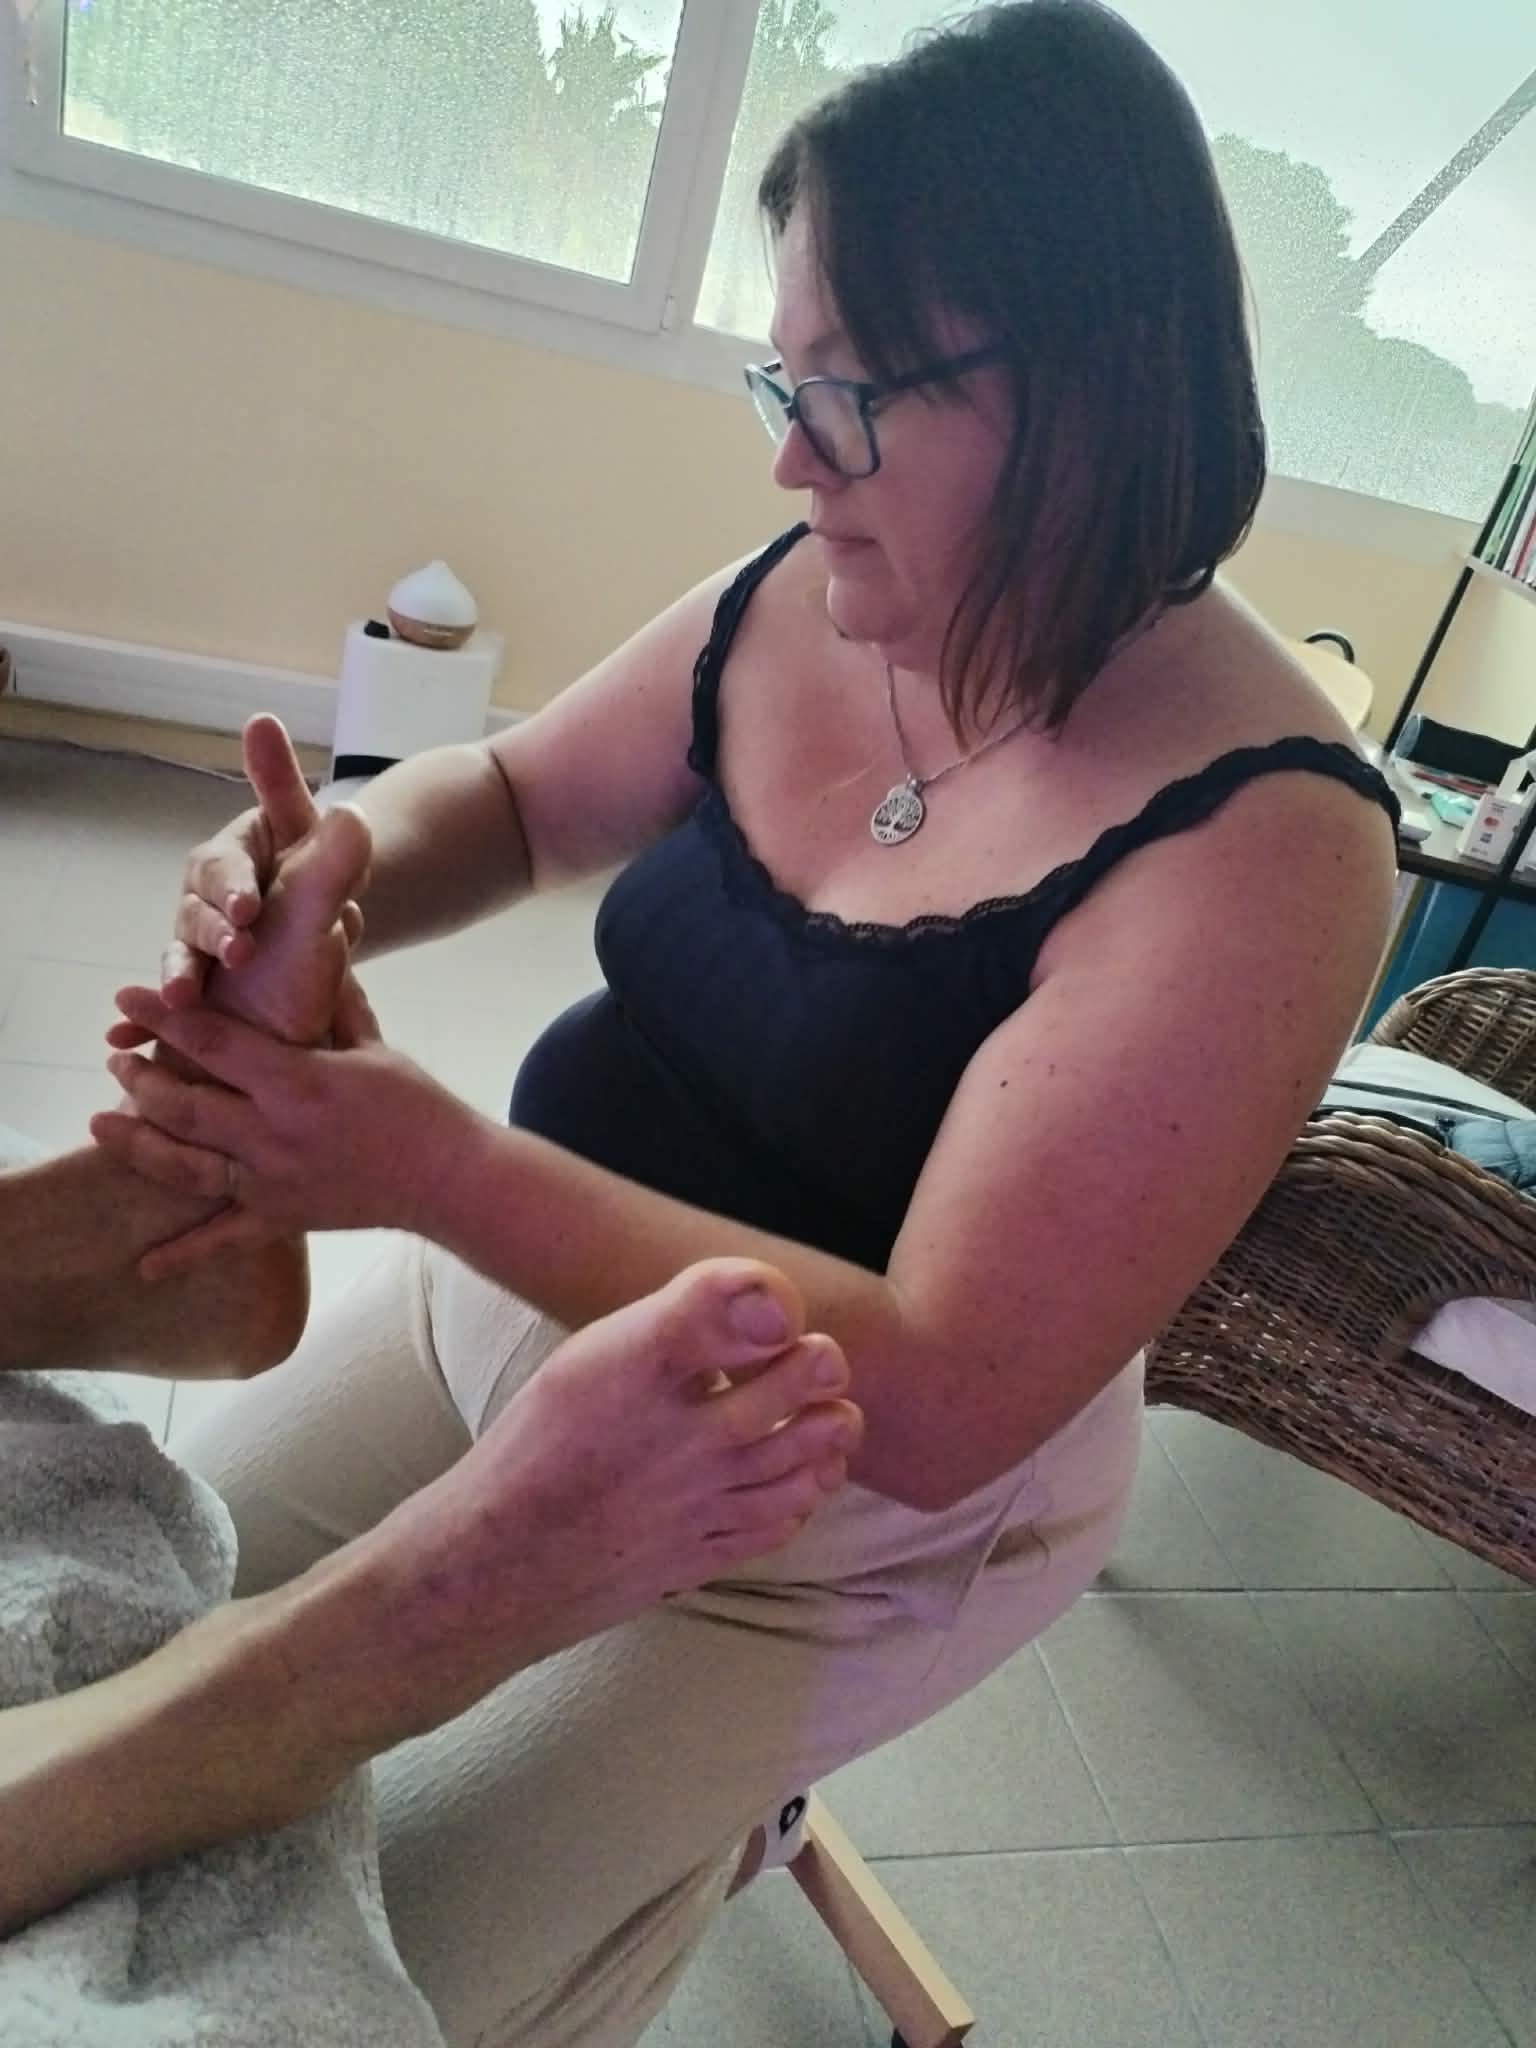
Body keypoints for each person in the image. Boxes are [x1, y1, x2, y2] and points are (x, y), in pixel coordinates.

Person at [94, 4, 1401, 2044]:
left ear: (1087, 391)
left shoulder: (1269, 848)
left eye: (850, 396)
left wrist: (421, 1164)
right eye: (785, 381)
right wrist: (330, 863)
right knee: (119, 1662)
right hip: (498, 1319)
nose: (791, 458)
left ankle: (684, 1842)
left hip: (815, 1522)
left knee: (358, 1976)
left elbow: (947, 1386)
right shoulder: (821, 575)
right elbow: (516, 798)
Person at [0, 785, 861, 1974]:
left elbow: (517, 791)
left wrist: (308, 905)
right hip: (539, 1321)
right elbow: (522, 794)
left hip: (858, 1488)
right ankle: (352, 1645)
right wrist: (424, 1158)